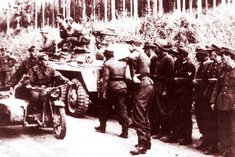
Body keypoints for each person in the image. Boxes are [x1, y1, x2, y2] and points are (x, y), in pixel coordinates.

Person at [126, 40, 154, 155]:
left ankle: (142, 144)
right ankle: (146, 142)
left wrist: (132, 74)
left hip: (143, 84)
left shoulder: (137, 52)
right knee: (144, 114)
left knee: (138, 115)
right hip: (149, 84)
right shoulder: (146, 56)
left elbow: (130, 57)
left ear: (133, 45)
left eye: (129, 45)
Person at [95, 48, 129, 138]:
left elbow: (105, 79)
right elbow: (126, 77)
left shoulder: (107, 64)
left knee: (105, 107)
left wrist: (103, 91)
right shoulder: (121, 64)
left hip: (112, 88)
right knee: (122, 109)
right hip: (122, 87)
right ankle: (125, 131)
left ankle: (102, 127)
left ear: (106, 56)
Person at [210, 48, 235, 157]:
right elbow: (217, 87)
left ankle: (232, 150)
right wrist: (212, 101)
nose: (223, 60)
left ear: (229, 56)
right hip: (221, 102)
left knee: (232, 127)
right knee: (223, 126)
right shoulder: (223, 69)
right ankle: (225, 149)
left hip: (232, 103)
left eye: (224, 58)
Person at [152, 39, 175, 142]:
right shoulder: (159, 58)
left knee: (164, 110)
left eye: (156, 47)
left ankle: (167, 132)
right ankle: (161, 131)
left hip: (163, 86)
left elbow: (169, 76)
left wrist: (165, 90)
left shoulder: (168, 59)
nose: (155, 49)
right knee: (158, 110)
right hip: (157, 85)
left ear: (161, 48)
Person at [192, 47, 215, 151]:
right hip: (199, 95)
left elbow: (206, 81)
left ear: (204, 55)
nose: (197, 56)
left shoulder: (209, 64)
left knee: (206, 119)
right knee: (200, 117)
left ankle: (208, 141)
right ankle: (204, 139)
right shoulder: (202, 64)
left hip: (204, 95)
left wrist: (198, 82)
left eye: (199, 54)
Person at [172, 46, 196, 145]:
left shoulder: (190, 66)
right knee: (178, 114)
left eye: (178, 54)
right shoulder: (177, 64)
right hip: (178, 93)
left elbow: (190, 79)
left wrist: (178, 79)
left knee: (185, 115)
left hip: (185, 94)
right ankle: (179, 135)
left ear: (183, 55)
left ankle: (187, 137)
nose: (176, 56)